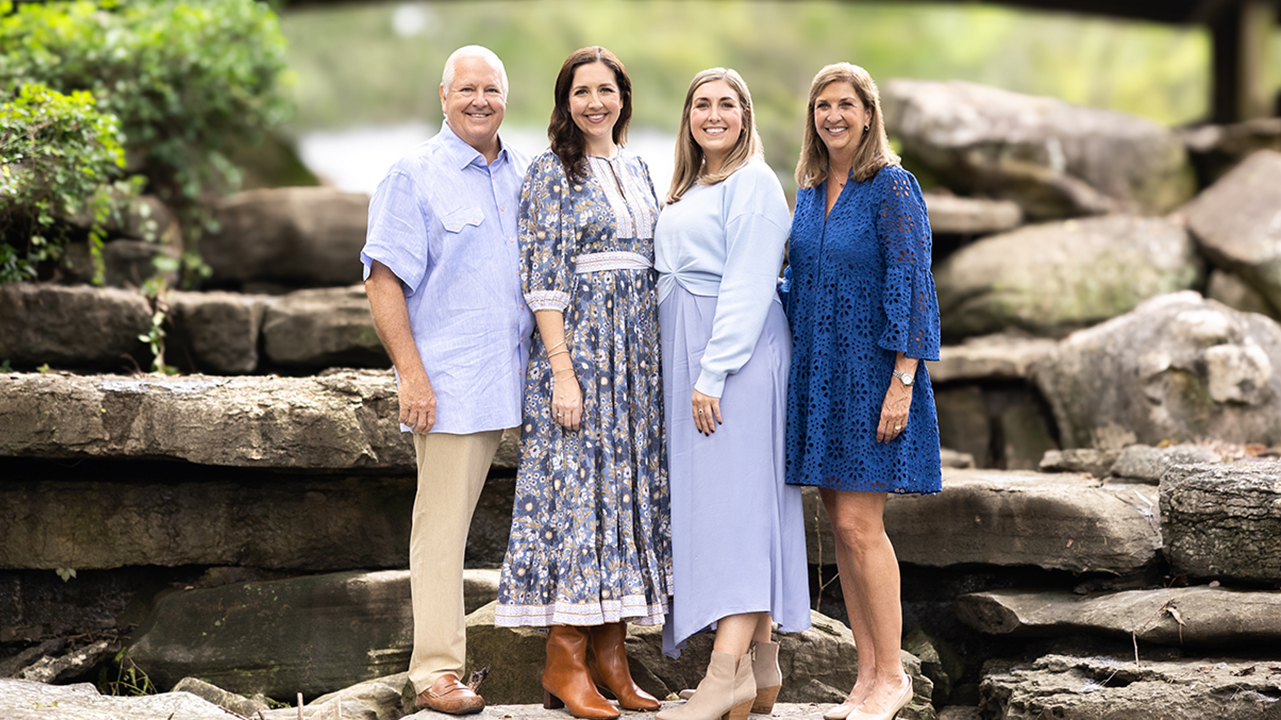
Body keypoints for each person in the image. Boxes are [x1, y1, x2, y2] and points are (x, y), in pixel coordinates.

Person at [494, 46, 670, 720]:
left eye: (605, 90)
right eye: (581, 92)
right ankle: (563, 662)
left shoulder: (640, 167)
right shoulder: (550, 171)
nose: (594, 103)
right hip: (581, 357)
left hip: (635, 365)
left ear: (623, 97)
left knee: (619, 503)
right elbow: (541, 278)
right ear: (564, 102)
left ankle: (612, 662)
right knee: (576, 502)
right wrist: (563, 373)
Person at [360, 45, 530, 716]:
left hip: (532, 382)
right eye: (466, 89)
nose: (479, 100)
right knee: (441, 530)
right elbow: (382, 281)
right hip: (455, 383)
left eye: (491, 89)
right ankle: (434, 673)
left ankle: (570, 653)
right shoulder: (413, 175)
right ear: (443, 96)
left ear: (506, 97)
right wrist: (412, 376)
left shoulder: (527, 173)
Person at [783, 62, 942, 720]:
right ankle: (865, 677)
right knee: (842, 531)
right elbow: (793, 284)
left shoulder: (892, 186)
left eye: (845, 104)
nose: (833, 116)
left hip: (873, 377)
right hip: (819, 379)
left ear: (868, 113)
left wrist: (903, 380)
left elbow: (914, 286)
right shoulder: (808, 190)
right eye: (822, 106)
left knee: (859, 526)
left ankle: (893, 677)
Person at [651, 68, 810, 720]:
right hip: (695, 355)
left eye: (726, 104)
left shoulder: (752, 182)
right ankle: (759, 669)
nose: (712, 114)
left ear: (745, 115)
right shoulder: (690, 187)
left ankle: (722, 678)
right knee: (737, 508)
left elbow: (748, 283)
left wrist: (711, 371)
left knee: (736, 512)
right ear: (687, 116)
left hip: (732, 360)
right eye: (701, 104)